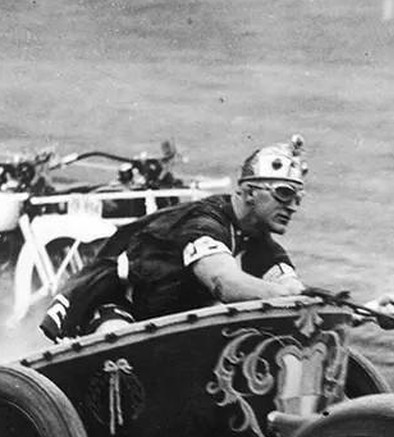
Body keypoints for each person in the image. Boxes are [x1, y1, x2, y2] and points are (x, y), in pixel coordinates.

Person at [40, 136, 311, 340]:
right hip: (112, 301)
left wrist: (305, 298)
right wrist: (283, 295)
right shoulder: (206, 222)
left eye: (297, 197)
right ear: (250, 192)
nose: (293, 206)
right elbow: (224, 282)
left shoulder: (259, 240)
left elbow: (290, 286)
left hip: (162, 315)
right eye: (284, 194)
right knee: (122, 348)